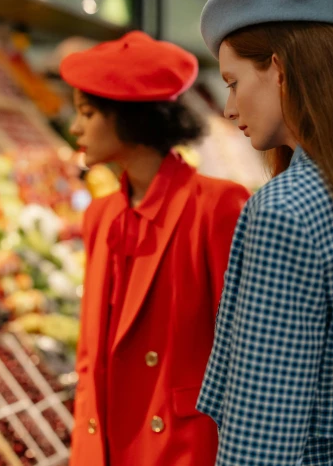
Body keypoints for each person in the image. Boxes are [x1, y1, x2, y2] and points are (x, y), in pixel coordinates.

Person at [197, 0, 333, 465]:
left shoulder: (285, 211)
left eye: (233, 82)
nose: (227, 108)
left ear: (279, 68)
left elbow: (262, 430)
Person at [60, 31, 250, 466]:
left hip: (182, 445)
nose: (74, 129)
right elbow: (91, 354)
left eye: (87, 113)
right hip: (104, 441)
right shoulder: (101, 215)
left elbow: (243, 351)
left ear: (129, 117)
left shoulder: (217, 204)